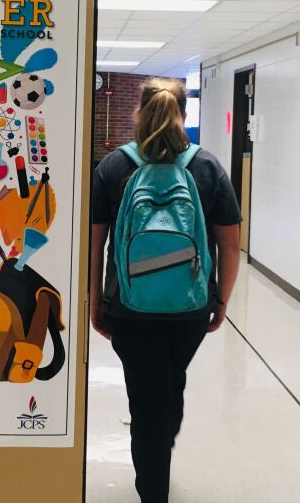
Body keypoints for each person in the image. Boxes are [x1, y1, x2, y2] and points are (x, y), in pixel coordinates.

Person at [90, 78, 242, 503]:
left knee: (147, 399)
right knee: (170, 386)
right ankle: (158, 465)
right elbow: (230, 244)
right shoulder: (207, 167)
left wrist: (96, 301)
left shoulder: (114, 167)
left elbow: (96, 242)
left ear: (138, 113)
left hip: (128, 307)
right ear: (184, 115)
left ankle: (153, 475)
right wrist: (221, 301)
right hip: (190, 308)